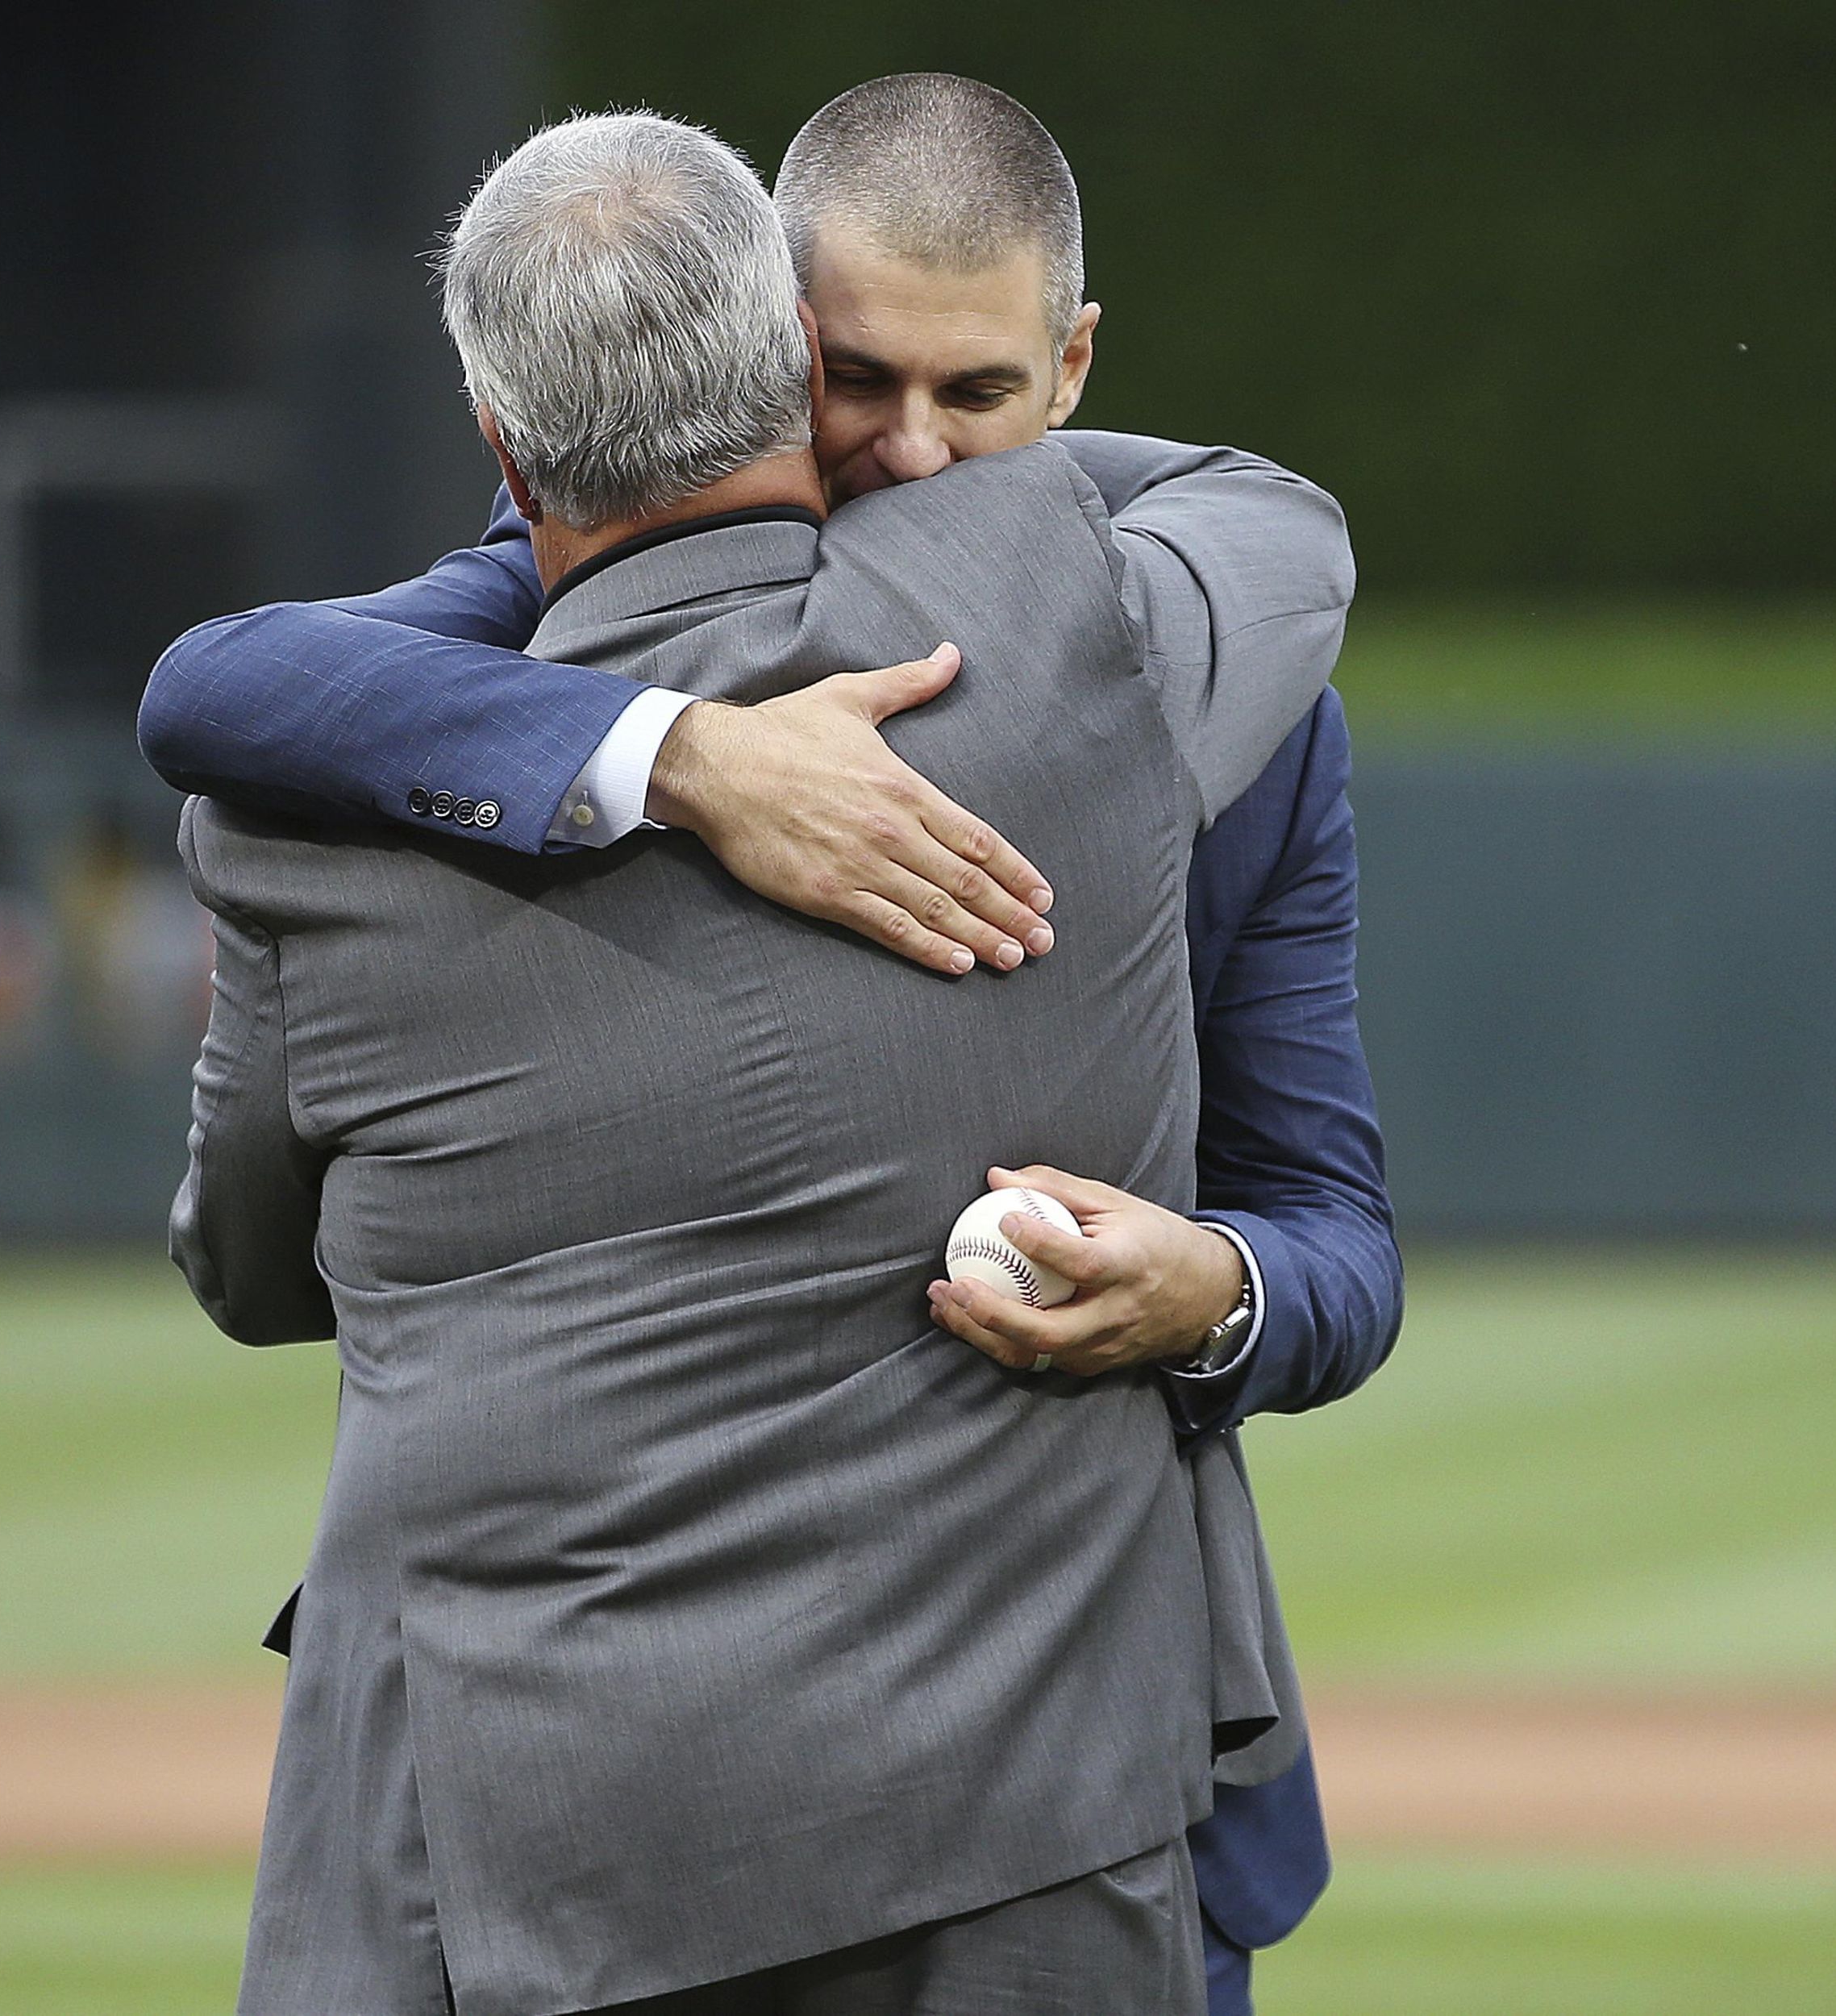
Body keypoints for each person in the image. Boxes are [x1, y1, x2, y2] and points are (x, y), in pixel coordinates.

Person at [144, 74, 1401, 2010]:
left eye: (976, 398)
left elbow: (1334, 1228)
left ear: (1070, 367)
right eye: (855, 382)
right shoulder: (439, 707)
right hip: (977, 1796)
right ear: (765, 352)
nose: (915, 457)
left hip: (1001, 1763)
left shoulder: (1183, 671)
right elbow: (224, 681)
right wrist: (676, 754)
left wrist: (1220, 1287)